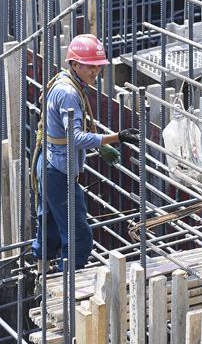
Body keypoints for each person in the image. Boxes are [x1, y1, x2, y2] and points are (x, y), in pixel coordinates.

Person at [31, 34, 139, 272]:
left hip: (48, 163)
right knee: (78, 236)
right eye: (91, 66)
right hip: (58, 170)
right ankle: (65, 289)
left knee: (48, 223)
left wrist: (100, 145)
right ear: (75, 64)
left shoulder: (62, 80)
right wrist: (116, 137)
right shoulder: (69, 93)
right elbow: (75, 137)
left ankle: (42, 273)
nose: (96, 72)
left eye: (98, 66)